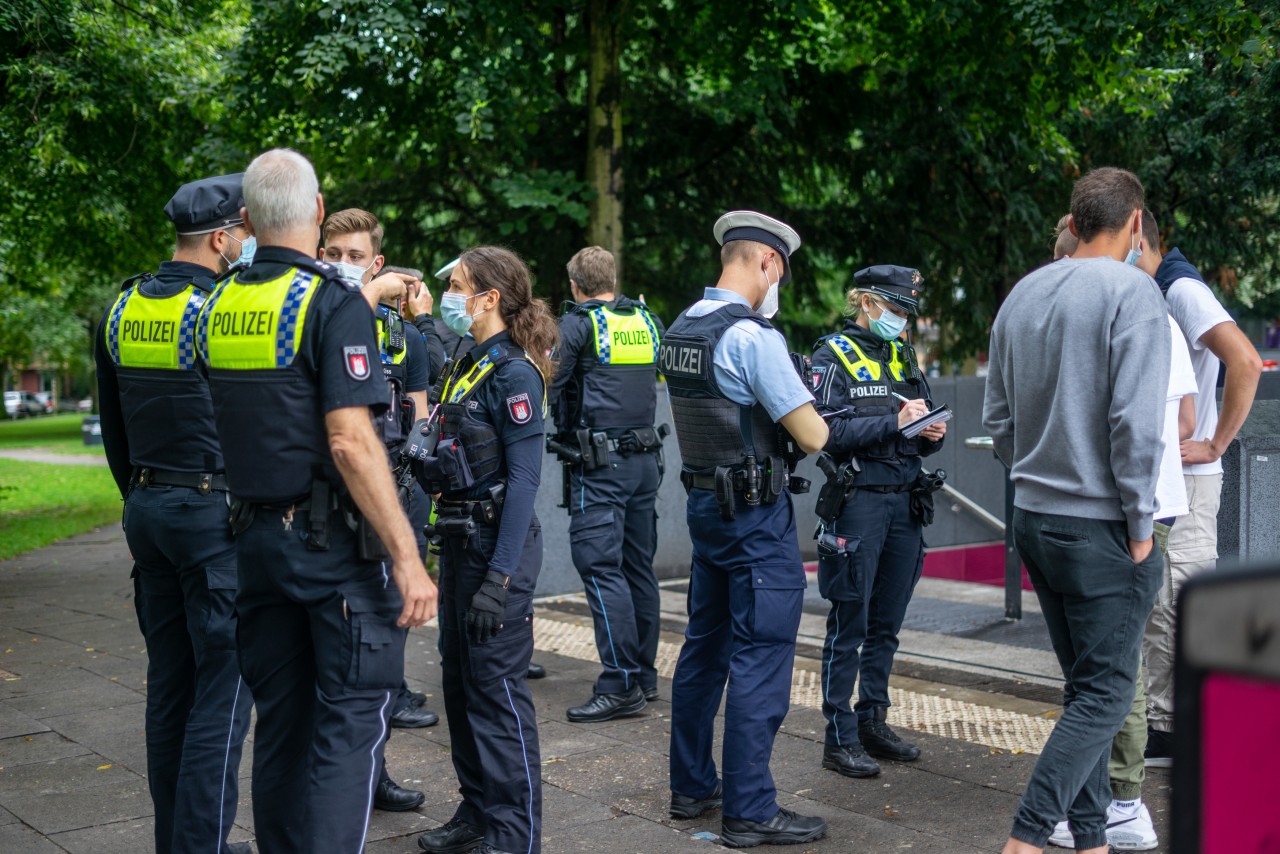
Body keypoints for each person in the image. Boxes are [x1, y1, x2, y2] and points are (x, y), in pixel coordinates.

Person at [196, 148, 437, 853]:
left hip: (253, 546)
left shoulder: (219, 303)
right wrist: (408, 559)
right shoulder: (329, 303)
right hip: (330, 552)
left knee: (283, 724)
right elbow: (351, 443)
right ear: (319, 212)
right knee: (350, 728)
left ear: (245, 221)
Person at [983, 167, 1168, 854]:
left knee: (1083, 691)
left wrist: (1036, 471)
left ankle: (1089, 840)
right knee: (1105, 696)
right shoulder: (1134, 292)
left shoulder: (1024, 293)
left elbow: (997, 418)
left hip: (1033, 515)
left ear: (1076, 218)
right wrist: (1142, 527)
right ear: (1135, 222)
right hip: (1103, 527)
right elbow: (1137, 428)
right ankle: (1027, 840)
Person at [95, 173, 254, 854]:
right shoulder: (216, 312)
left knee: (171, 687)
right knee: (224, 693)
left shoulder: (122, 308)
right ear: (221, 238)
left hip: (148, 510)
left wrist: (137, 500)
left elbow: (112, 425)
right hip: (212, 515)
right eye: (243, 233)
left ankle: (176, 842)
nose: (247, 244)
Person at [662, 210, 830, 849]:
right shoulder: (751, 337)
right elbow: (812, 433)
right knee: (761, 655)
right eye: (779, 273)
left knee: (703, 649)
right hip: (755, 520)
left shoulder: (682, 326)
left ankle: (691, 787)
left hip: (706, 509)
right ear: (768, 264)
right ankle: (751, 811)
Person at [1044, 221, 1197, 852]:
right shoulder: (1155, 316)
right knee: (1110, 664)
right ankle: (1103, 804)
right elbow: (1183, 417)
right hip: (1144, 510)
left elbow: (1123, 427)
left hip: (1124, 515)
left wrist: (1136, 523)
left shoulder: (1109, 318)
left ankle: (1120, 804)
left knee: (1110, 668)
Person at [413, 246, 557, 854]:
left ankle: (513, 834)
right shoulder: (467, 362)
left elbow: (525, 482)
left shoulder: (516, 373)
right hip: (458, 539)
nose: (451, 297)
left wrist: (498, 581)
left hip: (497, 550)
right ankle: (477, 812)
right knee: (460, 686)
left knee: (497, 695)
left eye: (460, 287)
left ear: (489, 298)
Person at [320, 209, 439, 816]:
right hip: (324, 506)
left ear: (377, 263)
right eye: (331, 251)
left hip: (392, 499)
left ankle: (377, 768)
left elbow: (419, 419)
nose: (341, 263)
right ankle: (338, 781)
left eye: (354, 254)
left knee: (385, 645)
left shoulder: (405, 336)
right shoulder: (317, 317)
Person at [810, 265, 947, 781]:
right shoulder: (832, 355)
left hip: (906, 502)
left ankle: (873, 720)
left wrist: (929, 430)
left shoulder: (903, 354)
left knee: (886, 624)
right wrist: (894, 421)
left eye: (906, 312)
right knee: (850, 625)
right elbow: (824, 430)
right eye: (894, 309)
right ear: (865, 302)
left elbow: (924, 417)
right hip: (860, 502)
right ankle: (838, 736)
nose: (901, 320)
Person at [1137, 211, 1262, 767]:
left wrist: (1215, 443)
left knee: (1176, 601)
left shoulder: (1180, 288)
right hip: (1170, 476)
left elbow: (1246, 361)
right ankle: (1166, 721)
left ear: (1137, 238)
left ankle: (1175, 728)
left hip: (1190, 476)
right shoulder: (1159, 288)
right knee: (1163, 602)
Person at [549, 245, 666, 722]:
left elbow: (547, 384)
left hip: (600, 467)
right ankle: (643, 675)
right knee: (638, 568)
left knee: (601, 569)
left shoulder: (578, 325)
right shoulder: (646, 320)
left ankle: (619, 685)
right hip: (645, 464)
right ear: (612, 280)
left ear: (575, 285)